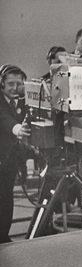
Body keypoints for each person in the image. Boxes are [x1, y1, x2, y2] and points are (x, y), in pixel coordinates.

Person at [0, 65, 30, 244]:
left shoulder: (22, 100)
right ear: (1, 83)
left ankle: (3, 235)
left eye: (18, 84)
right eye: (10, 84)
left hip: (9, 158)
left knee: (6, 197)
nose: (14, 88)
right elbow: (3, 117)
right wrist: (17, 128)